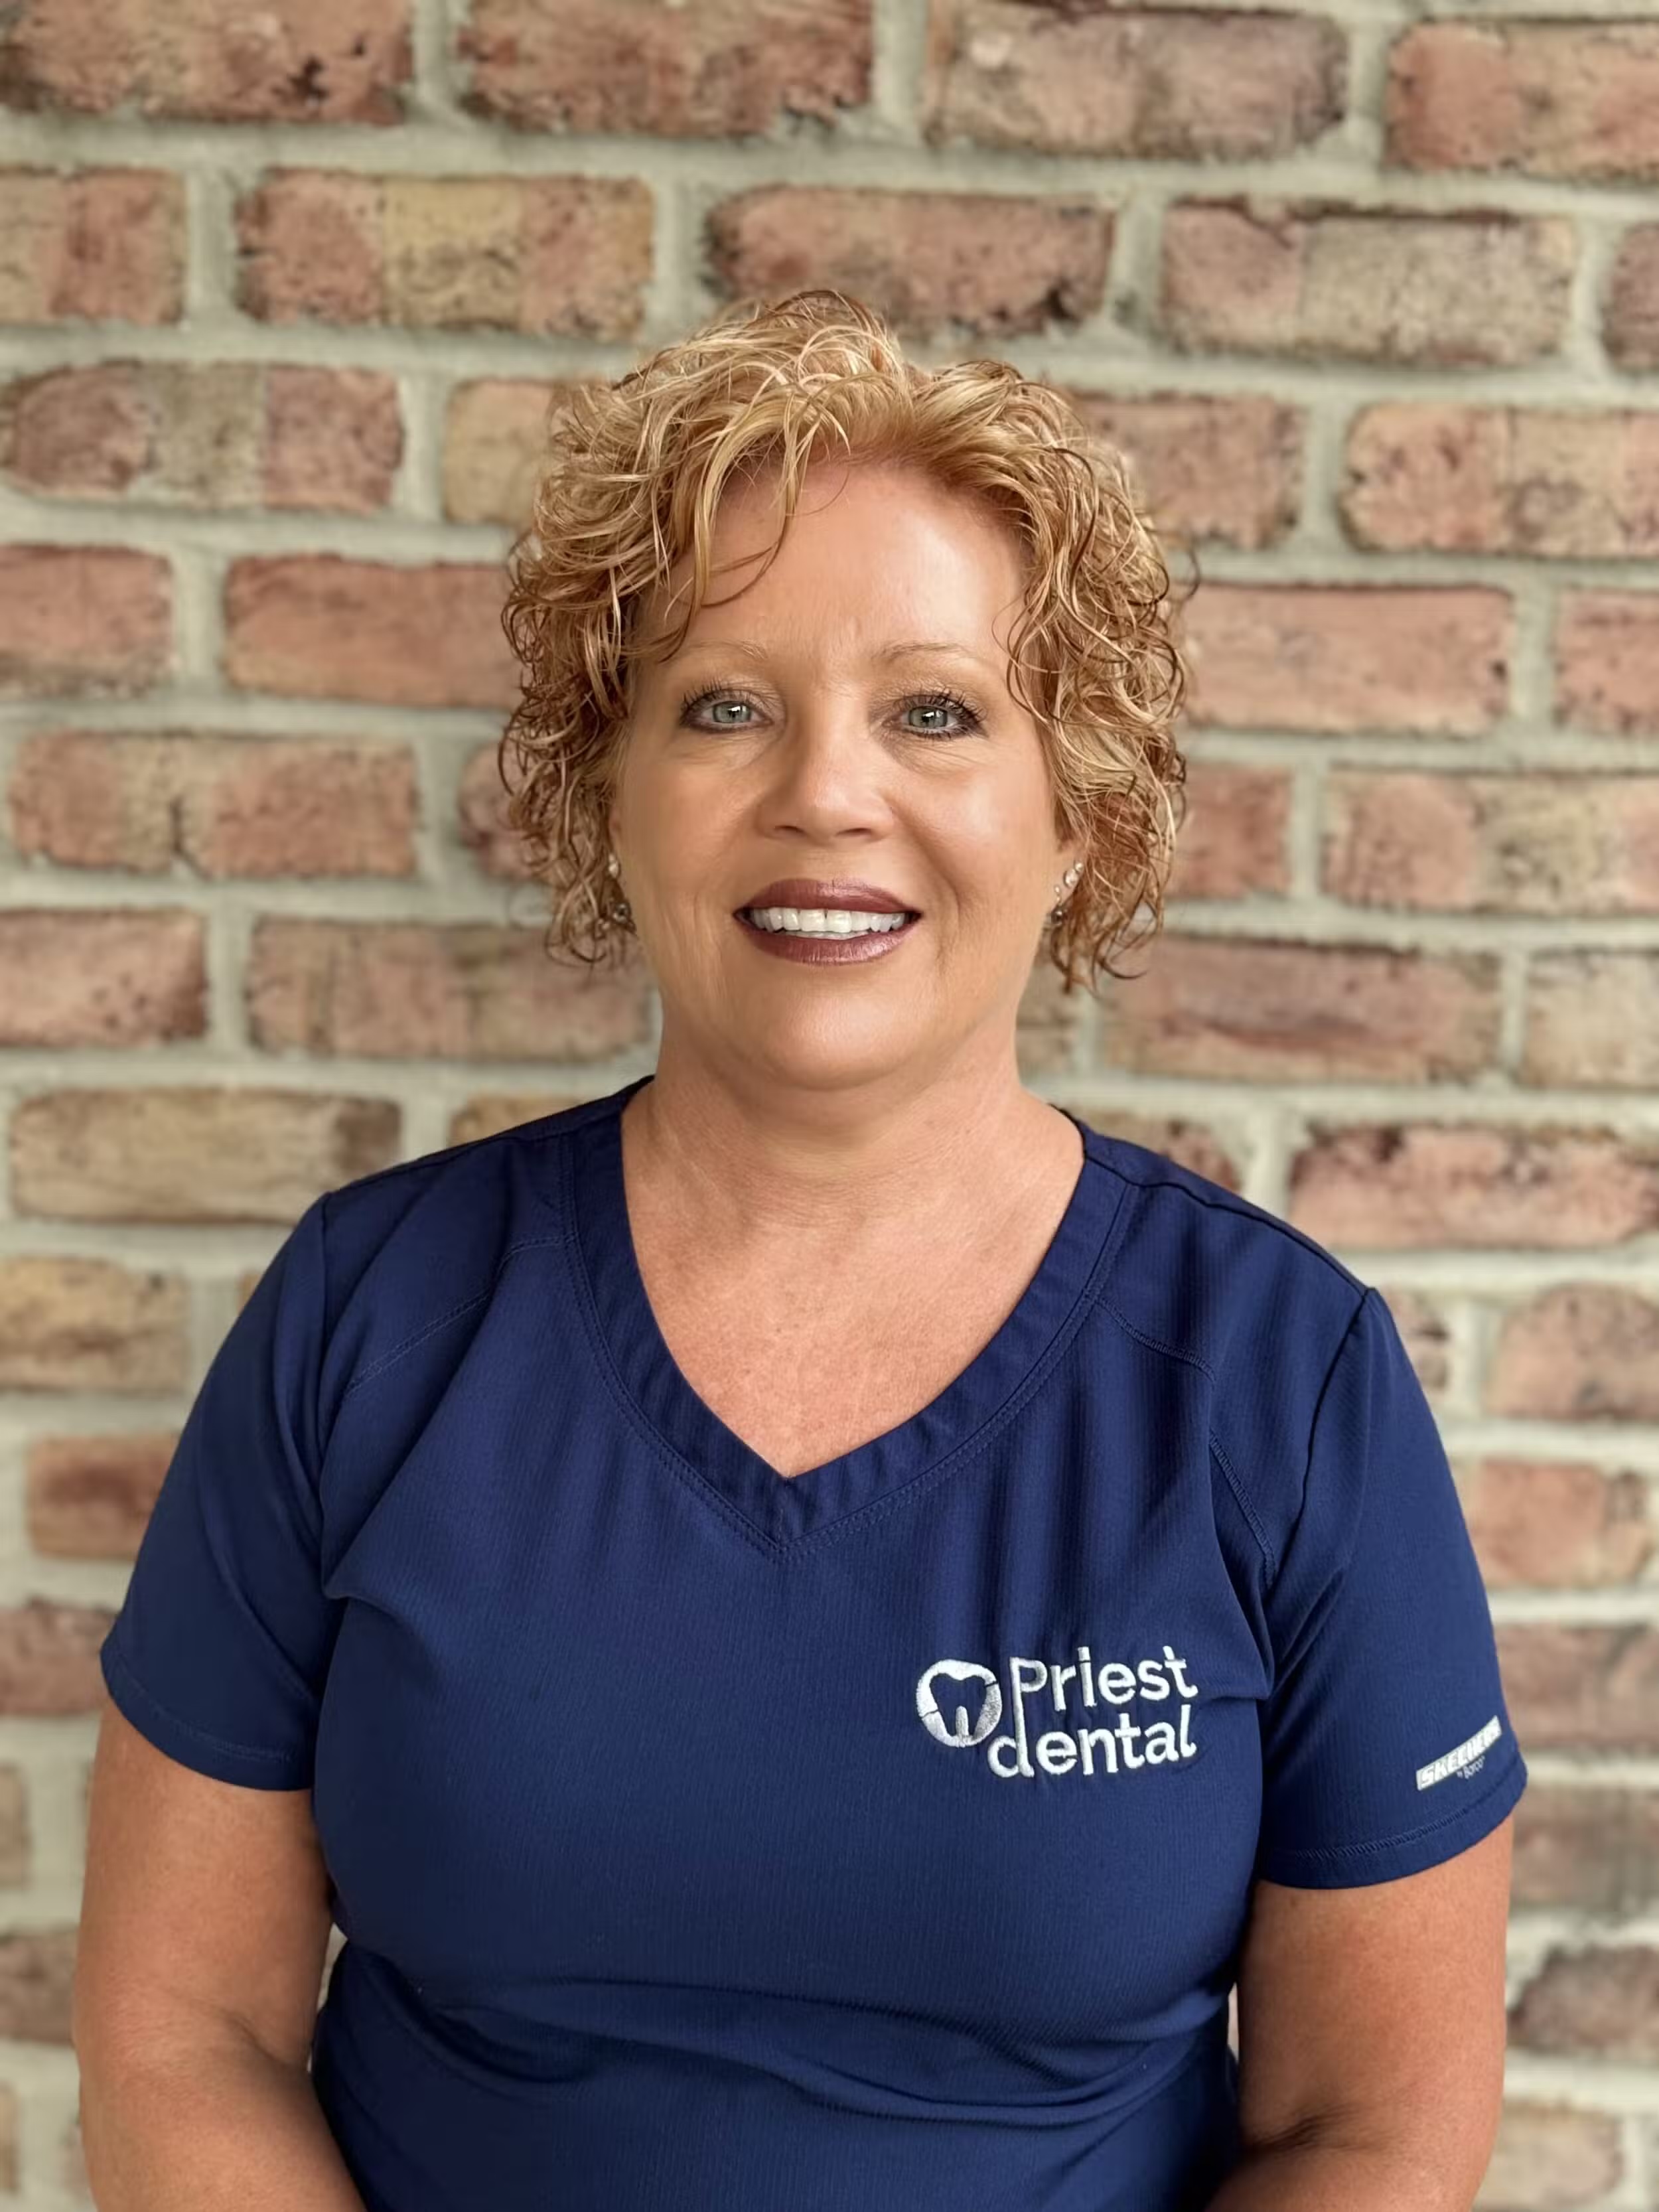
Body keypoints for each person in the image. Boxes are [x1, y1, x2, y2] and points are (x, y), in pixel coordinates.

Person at [74, 289, 1526, 2212]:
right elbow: (190, 2040)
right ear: (614, 792)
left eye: (934, 711)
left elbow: (1378, 2130)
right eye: (724, 706)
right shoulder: (370, 1317)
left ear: (1076, 813)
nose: (824, 793)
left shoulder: (1279, 1379)